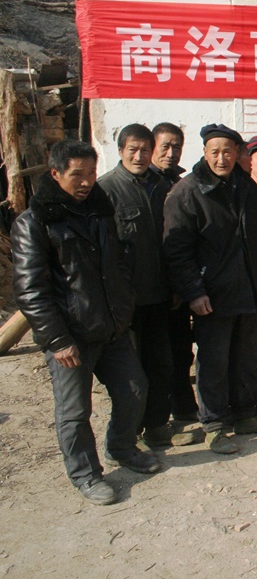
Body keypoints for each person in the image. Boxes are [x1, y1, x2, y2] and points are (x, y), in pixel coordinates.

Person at [12, 139, 157, 505]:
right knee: (75, 411)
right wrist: (57, 340)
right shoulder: (34, 223)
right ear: (55, 173)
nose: (86, 181)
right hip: (71, 336)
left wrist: (123, 305)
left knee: (134, 389)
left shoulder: (99, 211)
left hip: (111, 327)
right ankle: (86, 474)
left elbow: (118, 263)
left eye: (91, 173)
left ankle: (121, 447)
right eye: (77, 174)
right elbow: (31, 291)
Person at [163, 123, 257, 455]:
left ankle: (245, 414)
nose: (221, 158)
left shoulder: (244, 186)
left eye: (228, 151)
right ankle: (215, 425)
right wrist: (194, 291)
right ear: (204, 153)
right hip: (212, 294)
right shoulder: (188, 191)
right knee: (214, 361)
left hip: (249, 289)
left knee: (247, 356)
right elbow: (176, 250)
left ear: (238, 153)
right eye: (214, 152)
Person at [98, 124, 202, 449]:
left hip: (159, 297)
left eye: (145, 149)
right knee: (130, 374)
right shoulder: (106, 190)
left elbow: (174, 241)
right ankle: (128, 436)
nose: (140, 156)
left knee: (162, 365)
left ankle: (156, 427)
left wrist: (177, 286)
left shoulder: (163, 187)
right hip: (126, 302)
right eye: (133, 149)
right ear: (120, 151)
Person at [150, 122, 199, 422]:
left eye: (176, 147)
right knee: (158, 355)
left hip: (179, 282)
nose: (171, 153)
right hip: (151, 285)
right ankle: (158, 418)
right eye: (165, 146)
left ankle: (183, 408)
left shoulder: (181, 184)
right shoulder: (144, 185)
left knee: (181, 351)